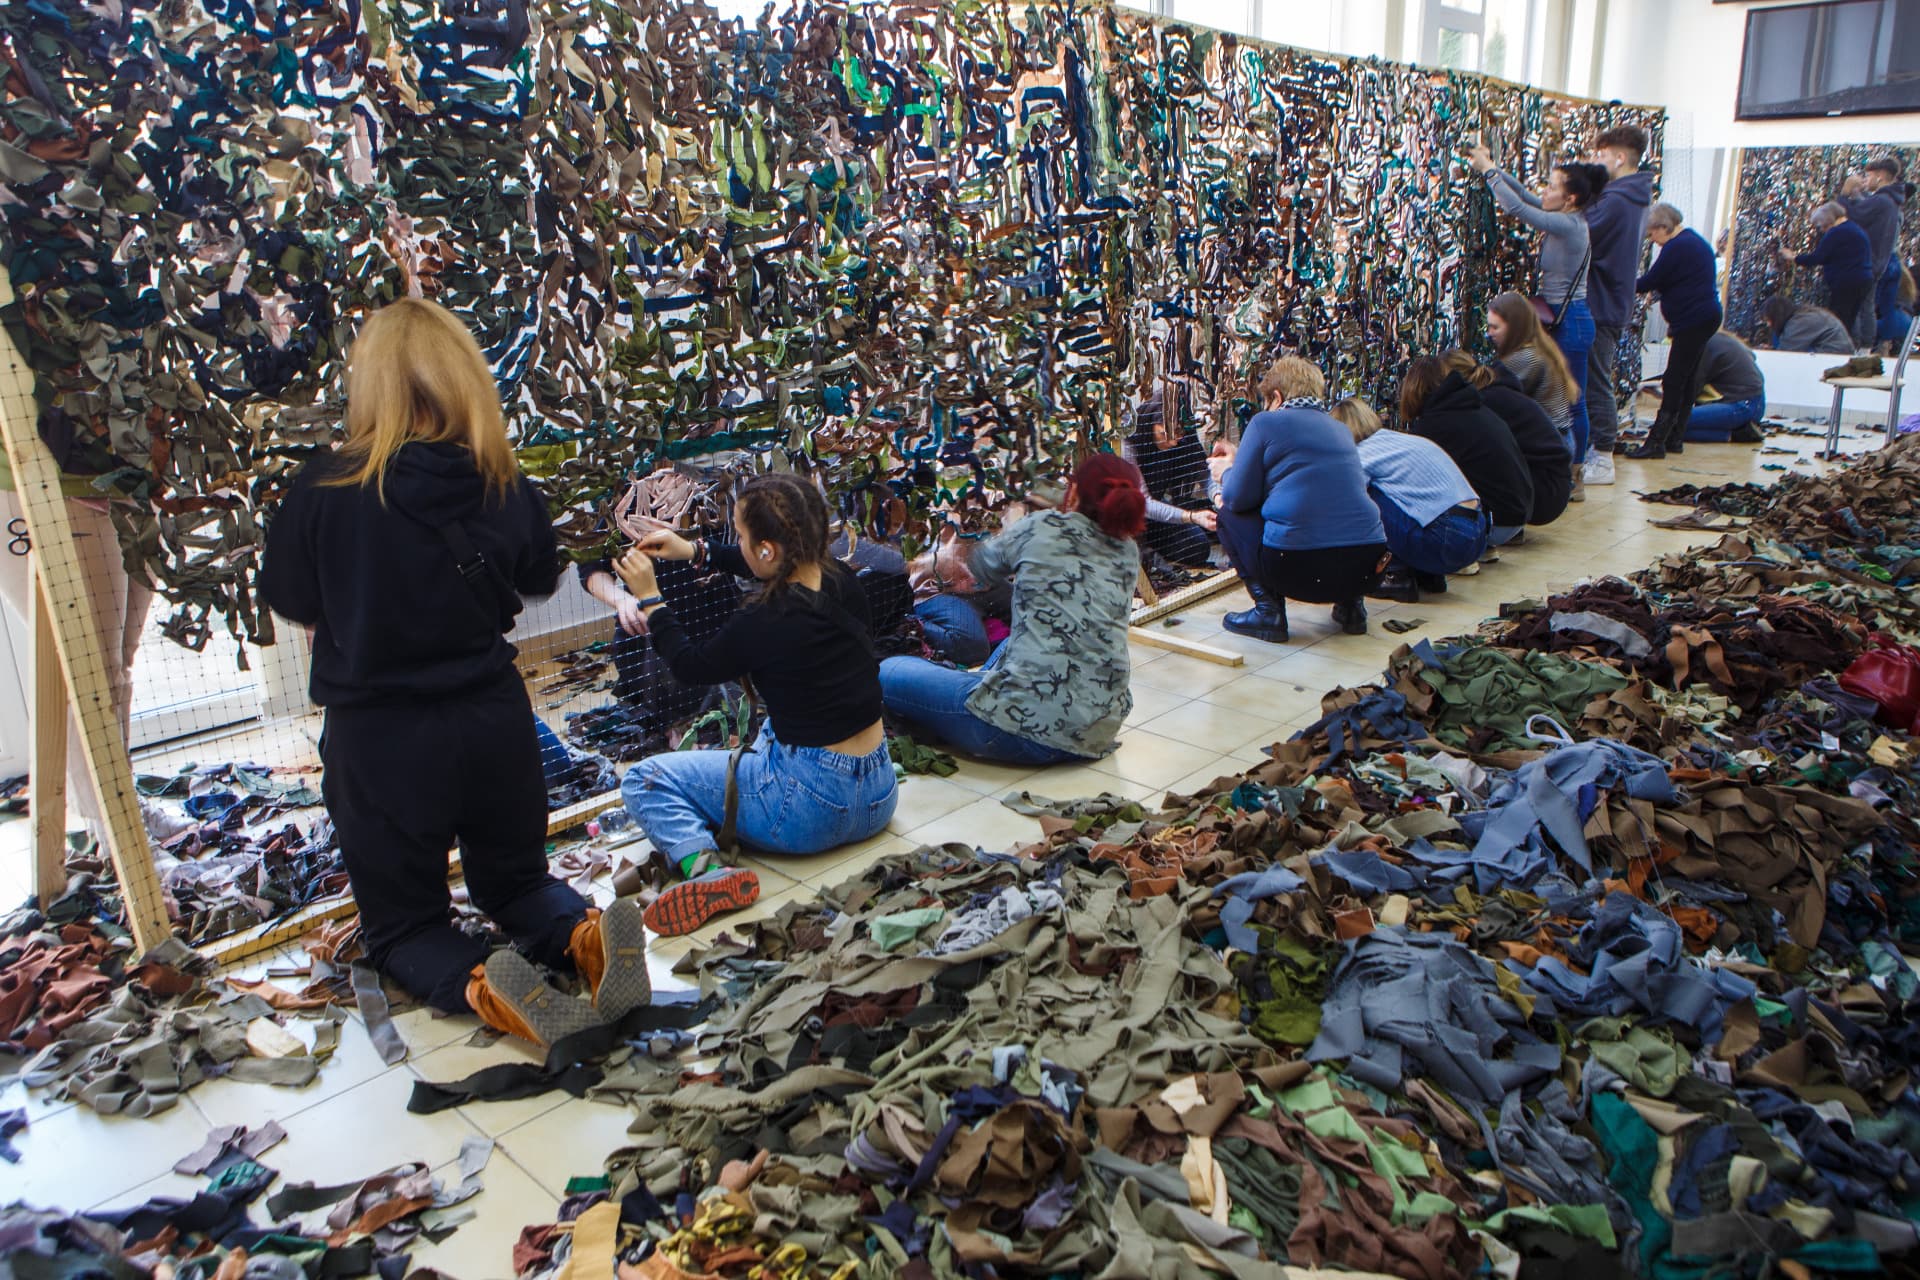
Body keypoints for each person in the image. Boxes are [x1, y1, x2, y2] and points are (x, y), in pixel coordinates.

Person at [260, 298, 649, 1051]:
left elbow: (292, 601)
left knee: (407, 923)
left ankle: (492, 987)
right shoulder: (500, 480)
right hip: (495, 721)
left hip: (382, 737)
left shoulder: (323, 489)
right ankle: (588, 939)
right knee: (517, 882)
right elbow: (538, 576)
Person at [615, 473, 897, 935]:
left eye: (741, 537)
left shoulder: (762, 619)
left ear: (767, 548)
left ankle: (706, 871)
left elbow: (689, 664)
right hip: (879, 794)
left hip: (812, 812)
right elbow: (768, 567)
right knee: (770, 729)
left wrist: (649, 598)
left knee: (646, 778)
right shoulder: (842, 580)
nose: (739, 545)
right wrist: (696, 550)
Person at [877, 455, 1144, 763]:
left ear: (1073, 492)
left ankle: (974, 705)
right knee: (1012, 641)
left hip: (1021, 732)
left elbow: (982, 566)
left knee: (889, 670)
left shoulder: (1043, 525)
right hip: (1099, 730)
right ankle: (978, 693)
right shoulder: (1127, 550)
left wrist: (1013, 525)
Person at [1212, 357, 1387, 643]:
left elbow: (1237, 499)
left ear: (1276, 397)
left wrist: (1227, 472)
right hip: (1367, 568)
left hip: (1298, 569)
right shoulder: (1341, 429)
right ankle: (1352, 608)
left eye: (1266, 401)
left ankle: (1269, 612)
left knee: (1228, 514)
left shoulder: (1265, 423)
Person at [1467, 144, 1606, 478]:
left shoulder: (1570, 225)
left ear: (1571, 198)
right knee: (1563, 394)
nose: (1545, 190)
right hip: (1562, 317)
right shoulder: (1564, 218)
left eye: (1553, 187)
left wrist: (1488, 171)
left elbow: (1517, 207)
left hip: (1569, 320)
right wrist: (1494, 168)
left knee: (1573, 399)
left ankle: (1575, 473)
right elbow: (1526, 196)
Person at [1332, 398, 1490, 605]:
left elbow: (1343, 502)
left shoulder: (1361, 454)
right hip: (1478, 534)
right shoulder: (1402, 440)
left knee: (1359, 496)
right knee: (1400, 495)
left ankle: (1395, 576)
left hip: (1445, 539)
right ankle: (1427, 574)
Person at [1581, 125, 1656, 485]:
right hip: (1609, 302)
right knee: (1592, 378)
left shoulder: (1618, 200)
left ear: (1619, 157)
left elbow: (1581, 231)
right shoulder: (1632, 198)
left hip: (1601, 304)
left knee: (1595, 381)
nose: (1596, 161)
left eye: (1600, 154)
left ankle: (1602, 456)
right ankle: (1594, 452)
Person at [1399, 355, 1534, 550]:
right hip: (1517, 516)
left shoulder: (1434, 426)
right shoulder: (1472, 405)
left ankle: (1466, 550)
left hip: (1495, 522)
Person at [1629, 205, 1723, 460]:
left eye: (1652, 235)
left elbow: (1650, 281)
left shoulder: (1677, 247)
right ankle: (1674, 438)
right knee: (1686, 379)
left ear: (1663, 227)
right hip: (1703, 317)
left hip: (1693, 320)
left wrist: (1618, 282)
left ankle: (1656, 442)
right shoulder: (1693, 242)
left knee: (1673, 380)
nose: (1652, 241)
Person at [1441, 351, 1571, 528]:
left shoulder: (1483, 402)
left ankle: (1495, 525)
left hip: (1545, 492)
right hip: (1554, 483)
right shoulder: (1497, 391)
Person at [1121, 384, 1218, 569]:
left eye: (1179, 434)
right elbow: (1144, 503)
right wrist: (1191, 516)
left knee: (1199, 547)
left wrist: (1218, 496)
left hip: (1158, 516)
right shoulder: (1128, 442)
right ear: (1151, 424)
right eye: (1165, 433)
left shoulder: (1182, 438)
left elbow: (1202, 471)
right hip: (1133, 516)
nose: (1173, 441)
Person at [1486, 291, 1580, 452]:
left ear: (1514, 328)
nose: (1489, 333)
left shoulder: (1525, 358)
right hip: (1561, 438)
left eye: (1495, 327)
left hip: (1548, 445)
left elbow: (1487, 393)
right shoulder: (1543, 347)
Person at [1781, 202, 1875, 348]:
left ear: (1827, 220)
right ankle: (1855, 347)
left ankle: (1838, 350)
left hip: (1846, 282)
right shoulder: (1854, 228)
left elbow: (1819, 257)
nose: (1822, 230)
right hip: (1863, 279)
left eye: (1820, 226)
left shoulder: (1837, 232)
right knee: (1850, 317)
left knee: (1840, 319)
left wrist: (1794, 257)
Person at [1841, 156, 1907, 349]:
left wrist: (1845, 193)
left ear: (1879, 177)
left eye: (1868, 176)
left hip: (1867, 264)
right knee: (1866, 306)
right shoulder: (1891, 201)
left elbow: (1856, 215)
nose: (1865, 180)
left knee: (1861, 308)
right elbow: (1866, 209)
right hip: (1878, 262)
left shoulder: (1883, 201)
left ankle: (1861, 347)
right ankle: (1865, 346)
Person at [1680, 331, 1768, 444]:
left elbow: (1691, 389)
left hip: (1742, 406)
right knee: (1676, 427)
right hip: (1755, 404)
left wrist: (1667, 395)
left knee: (1674, 423)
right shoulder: (1721, 339)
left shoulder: (1702, 345)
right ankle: (1735, 432)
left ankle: (1737, 435)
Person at [1761, 295, 1856, 356]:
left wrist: (1769, 353)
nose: (1769, 324)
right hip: (1839, 351)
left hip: (1835, 355)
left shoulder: (1798, 324)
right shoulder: (1803, 315)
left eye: (1769, 320)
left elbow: (1785, 354)